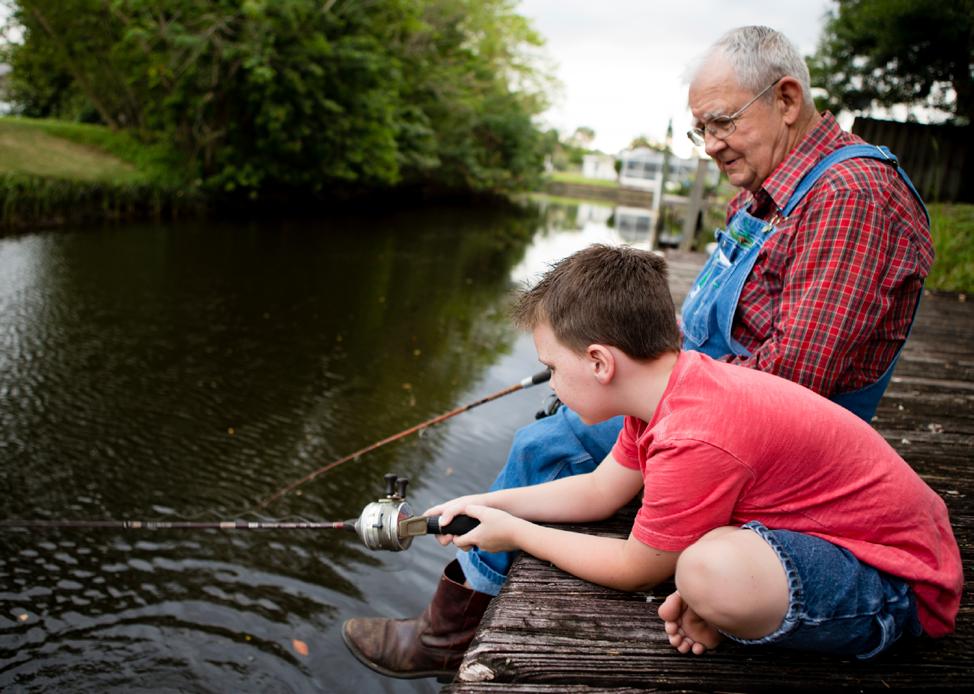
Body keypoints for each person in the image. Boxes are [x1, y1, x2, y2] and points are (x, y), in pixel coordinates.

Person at [342, 25, 934, 678]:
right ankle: (458, 614)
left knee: (552, 451)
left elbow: (798, 379)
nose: (709, 145)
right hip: (697, 399)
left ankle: (448, 634)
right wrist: (485, 506)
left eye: (721, 122)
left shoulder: (848, 198)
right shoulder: (767, 195)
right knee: (558, 449)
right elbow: (605, 485)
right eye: (698, 129)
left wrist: (513, 524)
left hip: (780, 459)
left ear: (787, 99)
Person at [440, 245, 957, 661]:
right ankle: (732, 596)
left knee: (704, 571)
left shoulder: (694, 432)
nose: (550, 380)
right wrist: (491, 502)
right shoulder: (668, 394)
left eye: (552, 367)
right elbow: (600, 490)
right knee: (706, 566)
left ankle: (739, 603)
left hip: (898, 582)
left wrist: (517, 534)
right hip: (845, 539)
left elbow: (634, 568)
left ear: (599, 362)